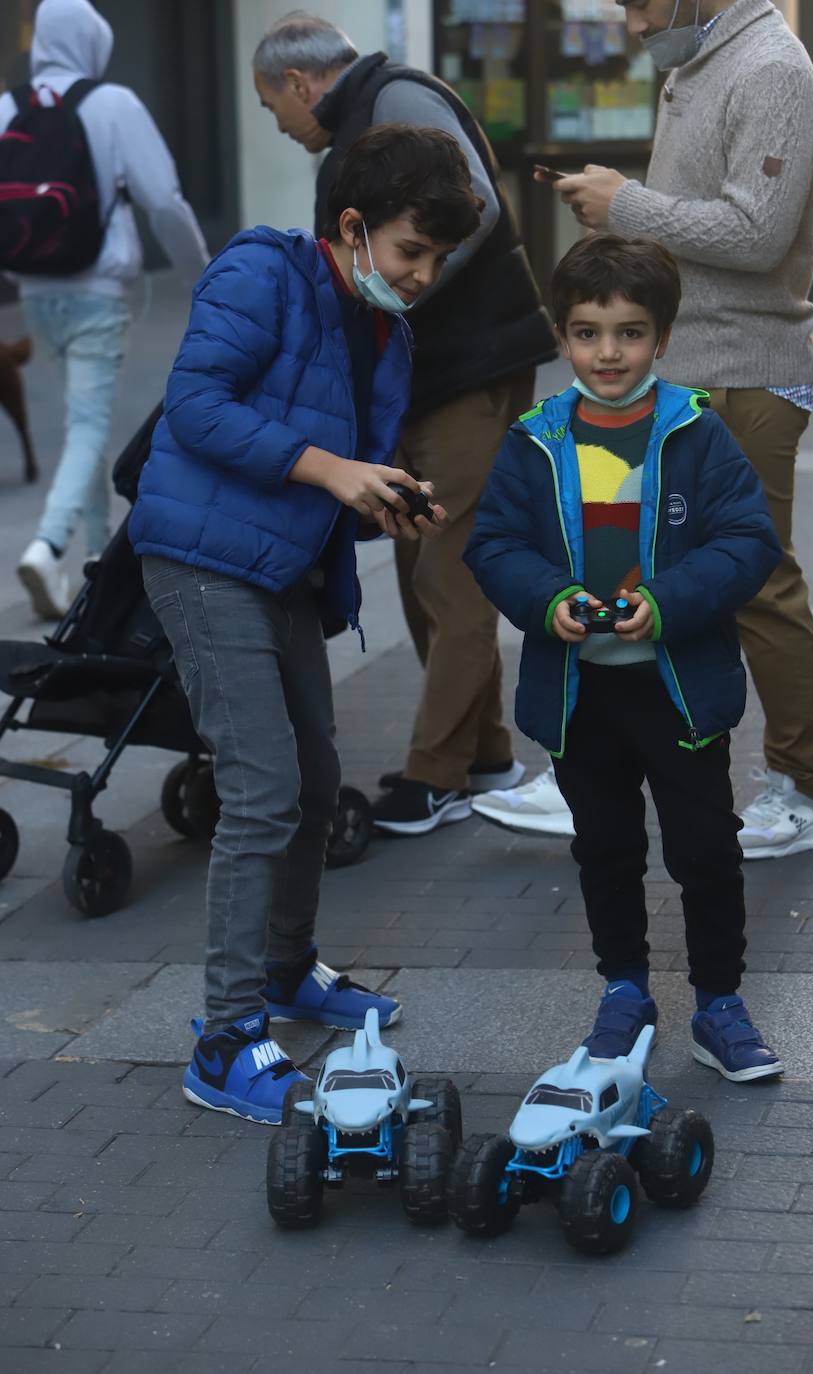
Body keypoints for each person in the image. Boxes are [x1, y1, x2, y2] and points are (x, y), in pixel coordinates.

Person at [129, 125, 482, 1124]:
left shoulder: (384, 326)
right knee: (263, 791)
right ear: (351, 226)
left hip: (276, 567)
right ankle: (225, 1038)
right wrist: (333, 470)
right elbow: (195, 405)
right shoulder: (262, 271)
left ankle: (286, 974)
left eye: (436, 262)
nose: (419, 277)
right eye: (410, 253)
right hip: (200, 563)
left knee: (317, 780)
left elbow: (333, 456)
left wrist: (381, 495)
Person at [526, 0, 813, 862]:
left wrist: (626, 203)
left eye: (638, 2)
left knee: (757, 578)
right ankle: (599, 761)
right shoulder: (700, 61)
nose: (631, 22)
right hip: (692, 367)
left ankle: (805, 788)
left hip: (748, 369)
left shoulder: (772, 68)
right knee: (644, 563)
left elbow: (757, 231)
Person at [465, 233, 784, 1082]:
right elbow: (493, 544)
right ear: (565, 337)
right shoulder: (535, 441)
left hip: (678, 689)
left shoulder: (696, 433)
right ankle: (624, 991)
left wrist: (668, 602)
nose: (609, 352)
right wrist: (548, 599)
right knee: (604, 847)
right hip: (581, 695)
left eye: (630, 332)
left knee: (706, 848)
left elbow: (749, 540)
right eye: (588, 332)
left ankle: (719, 1002)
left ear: (662, 338)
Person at [252, 13, 558, 836]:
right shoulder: (366, 115)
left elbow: (478, 210)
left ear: (298, 83)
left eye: (271, 107)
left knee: (451, 573)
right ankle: (485, 753)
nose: (277, 127)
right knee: (425, 559)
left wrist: (402, 290)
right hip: (429, 375)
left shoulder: (394, 100)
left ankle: (434, 775)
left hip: (471, 368)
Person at [0, 0, 208, 620]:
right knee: (89, 426)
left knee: (78, 423)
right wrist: (205, 276)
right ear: (94, 41)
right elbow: (163, 200)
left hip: (37, 289)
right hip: (98, 291)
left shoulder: (8, 106)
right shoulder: (113, 104)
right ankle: (49, 544)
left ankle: (93, 564)